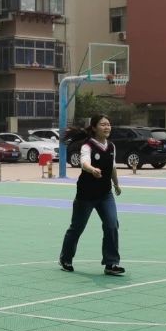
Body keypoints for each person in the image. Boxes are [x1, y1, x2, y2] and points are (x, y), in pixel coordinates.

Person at [59, 115, 125, 276]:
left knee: (112, 225)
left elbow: (113, 167)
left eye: (108, 124)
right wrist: (92, 169)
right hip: (86, 194)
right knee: (77, 227)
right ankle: (65, 258)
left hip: (105, 194)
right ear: (94, 128)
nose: (107, 127)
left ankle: (111, 263)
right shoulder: (87, 145)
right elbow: (84, 162)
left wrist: (116, 184)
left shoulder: (111, 146)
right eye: (103, 124)